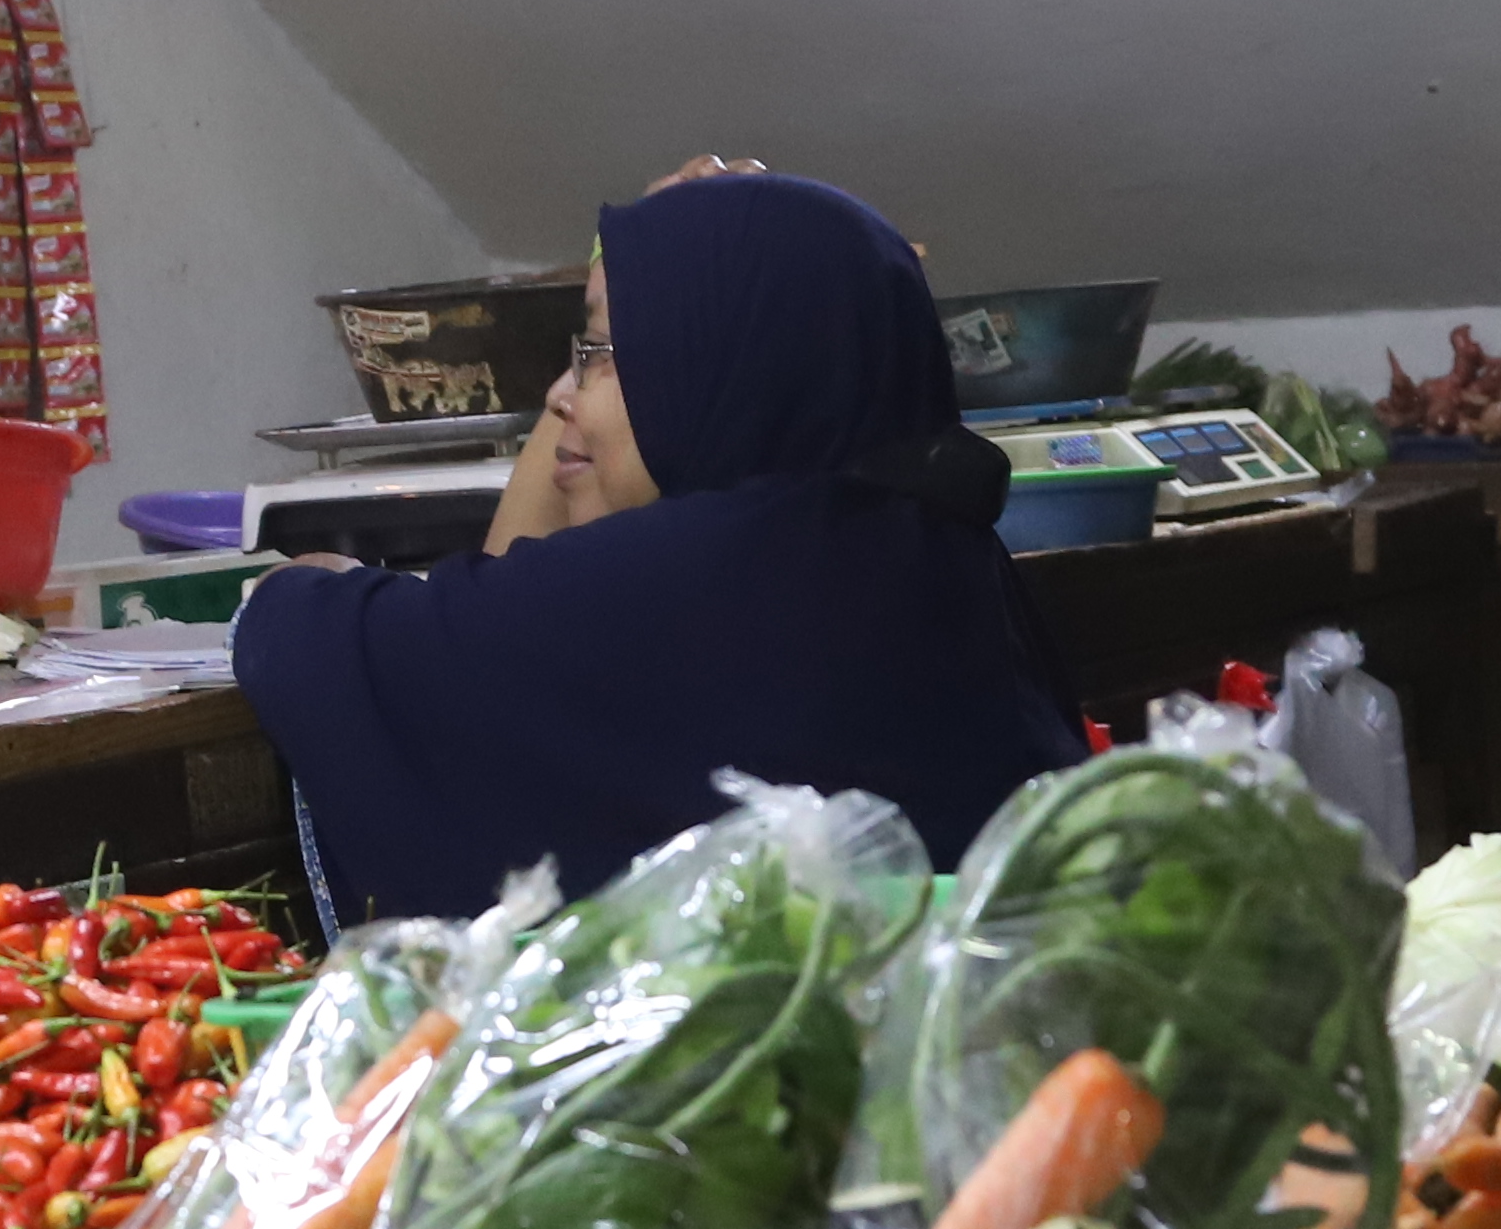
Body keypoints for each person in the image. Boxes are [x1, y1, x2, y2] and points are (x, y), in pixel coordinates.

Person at [236, 165, 1082, 922]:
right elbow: (511, 611)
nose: (559, 395)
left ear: (718, 359)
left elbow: (320, 649)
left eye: (603, 349)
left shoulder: (701, 582)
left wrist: (305, 585)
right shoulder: (941, 554)